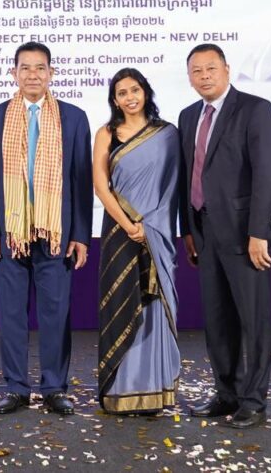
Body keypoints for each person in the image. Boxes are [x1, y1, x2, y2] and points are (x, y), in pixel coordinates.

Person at [0, 42, 93, 416]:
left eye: (40, 68)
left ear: (51, 73)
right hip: (11, 233)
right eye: (25, 68)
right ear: (14, 73)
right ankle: (15, 388)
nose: (32, 75)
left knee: (55, 314)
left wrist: (80, 234)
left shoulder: (73, 118)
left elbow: (81, 180)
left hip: (56, 232)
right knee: (12, 315)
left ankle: (54, 388)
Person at [178, 44, 271, 430]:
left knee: (253, 321)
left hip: (244, 236)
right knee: (218, 320)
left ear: (226, 69)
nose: (204, 76)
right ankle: (227, 393)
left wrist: (258, 233)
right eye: (196, 70)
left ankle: (254, 401)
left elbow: (268, 173)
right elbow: (188, 175)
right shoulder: (189, 116)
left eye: (210, 68)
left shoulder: (255, 109)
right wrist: (188, 229)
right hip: (204, 233)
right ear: (189, 77)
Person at [92, 68, 181, 415]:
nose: (129, 97)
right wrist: (129, 225)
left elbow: (172, 189)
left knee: (153, 304)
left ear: (145, 92)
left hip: (155, 233)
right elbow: (101, 186)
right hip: (120, 231)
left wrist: (150, 227)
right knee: (122, 301)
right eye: (122, 93)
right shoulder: (106, 134)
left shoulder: (167, 134)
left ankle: (154, 389)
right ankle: (121, 390)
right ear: (114, 100)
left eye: (135, 90)